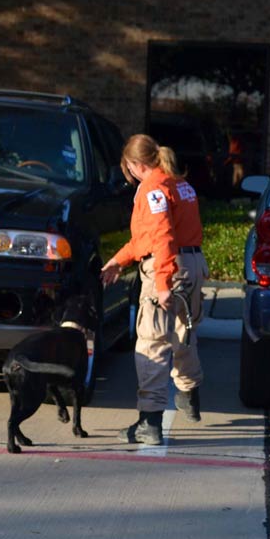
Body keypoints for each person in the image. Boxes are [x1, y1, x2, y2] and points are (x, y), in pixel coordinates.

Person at [101, 134, 209, 445]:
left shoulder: (152, 189)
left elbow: (161, 237)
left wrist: (161, 283)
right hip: (192, 265)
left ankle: (149, 422)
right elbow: (151, 238)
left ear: (135, 165)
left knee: (152, 343)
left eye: (128, 169)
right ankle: (189, 392)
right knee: (184, 333)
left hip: (168, 268)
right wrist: (119, 260)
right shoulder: (179, 184)